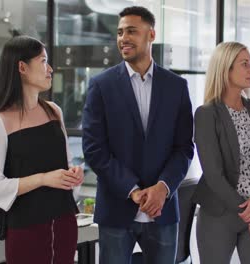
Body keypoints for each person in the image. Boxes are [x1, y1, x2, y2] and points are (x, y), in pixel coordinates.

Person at [82, 6, 194, 264]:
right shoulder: (101, 85)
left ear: (151, 34)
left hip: (163, 211)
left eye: (132, 31)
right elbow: (94, 149)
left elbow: (184, 148)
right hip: (116, 210)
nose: (123, 38)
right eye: (120, 32)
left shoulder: (177, 87)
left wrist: (162, 189)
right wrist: (132, 190)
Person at [0, 36, 84, 264]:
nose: (50, 69)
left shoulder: (54, 111)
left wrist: (73, 174)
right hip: (25, 230)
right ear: (22, 67)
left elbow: (65, 163)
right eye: (43, 61)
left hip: (64, 223)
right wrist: (43, 179)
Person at [192, 41, 250, 264]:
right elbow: (214, 176)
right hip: (219, 214)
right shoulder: (206, 114)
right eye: (245, 64)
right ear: (225, 69)